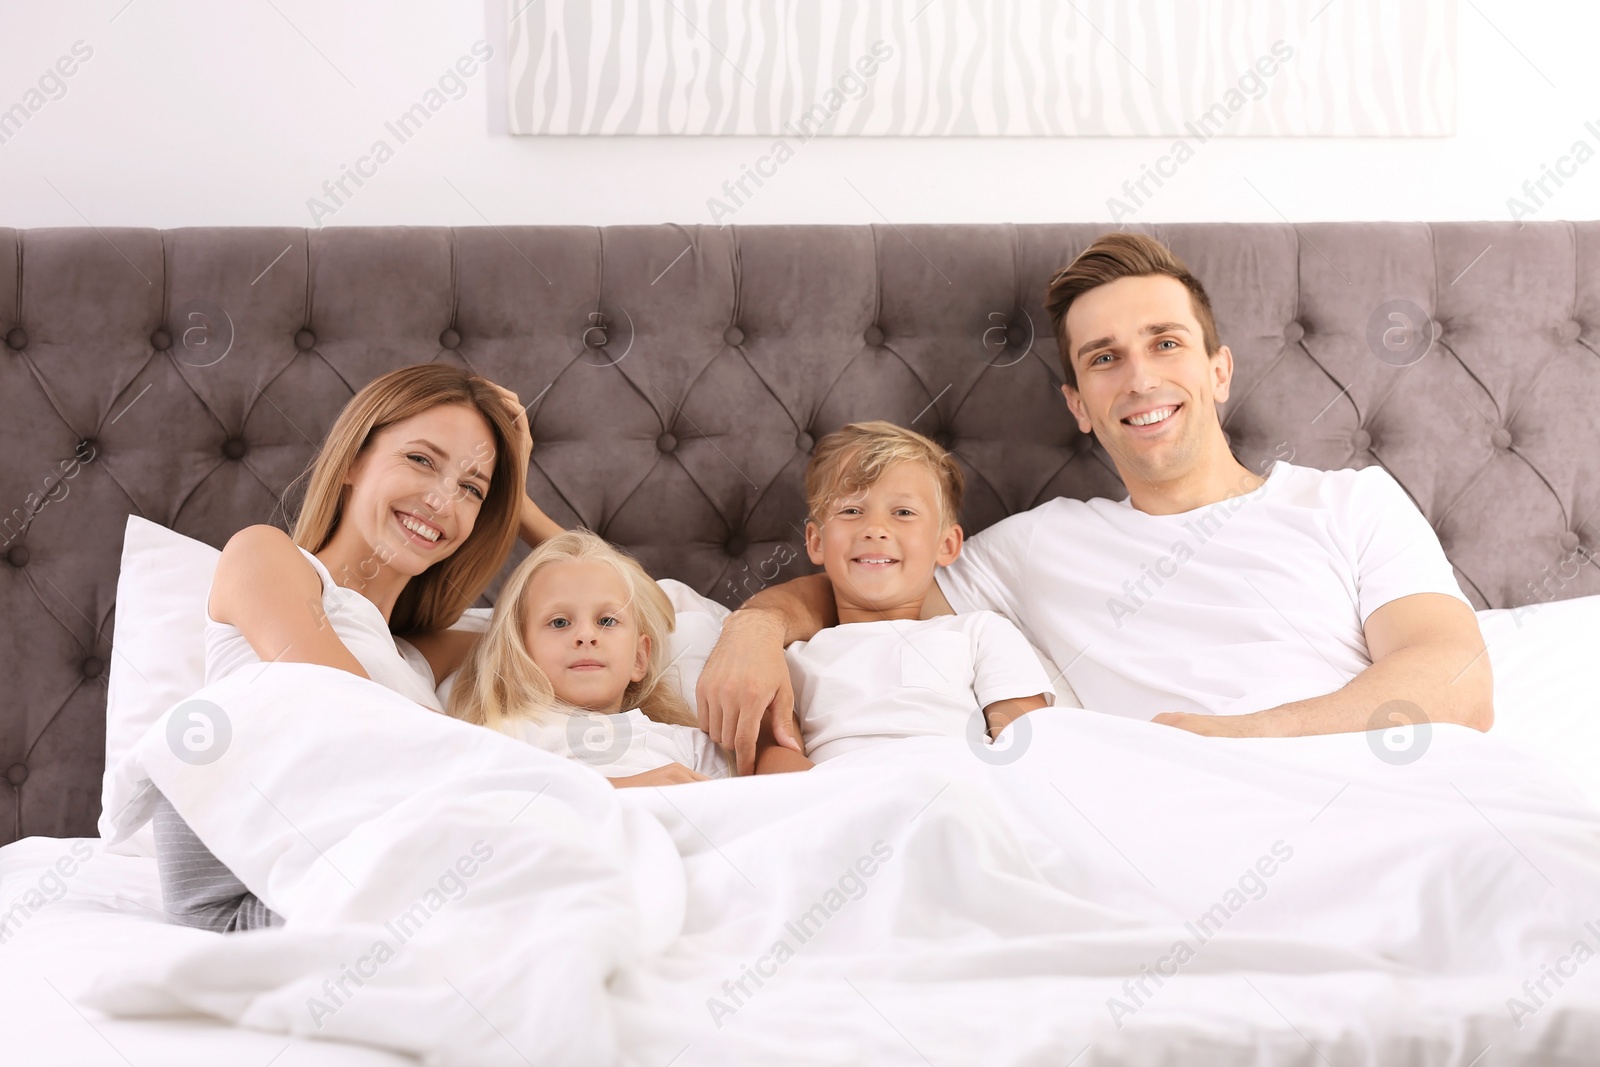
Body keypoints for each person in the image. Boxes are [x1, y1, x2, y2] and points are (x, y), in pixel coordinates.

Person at [698, 232, 1494, 774]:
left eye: (1165, 343)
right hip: (1166, 831)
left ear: (1219, 371)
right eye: (1105, 359)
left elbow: (1456, 681)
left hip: (1372, 797)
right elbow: (869, 576)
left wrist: (1236, 738)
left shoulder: (1350, 505)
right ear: (1079, 403)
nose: (1140, 379)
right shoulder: (1033, 551)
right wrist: (755, 626)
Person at [152, 362, 564, 932]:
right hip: (245, 895)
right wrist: (601, 786)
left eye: (470, 489)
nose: (443, 501)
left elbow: (620, 608)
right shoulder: (267, 558)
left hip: (361, 876)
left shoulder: (416, 657)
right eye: (421, 460)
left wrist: (514, 497)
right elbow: (350, 718)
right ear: (351, 461)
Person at [756, 421, 1054, 774]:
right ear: (816, 542)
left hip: (958, 796)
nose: (875, 530)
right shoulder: (790, 659)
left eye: (903, 513)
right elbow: (774, 760)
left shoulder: (979, 633)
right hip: (842, 805)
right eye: (851, 511)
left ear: (946, 545)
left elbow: (1032, 743)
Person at [446, 529, 729, 785]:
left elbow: (751, 807)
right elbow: (495, 799)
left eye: (607, 621)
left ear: (639, 659)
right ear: (521, 653)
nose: (586, 635)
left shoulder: (686, 743)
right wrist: (627, 788)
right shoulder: (508, 735)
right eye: (559, 622)